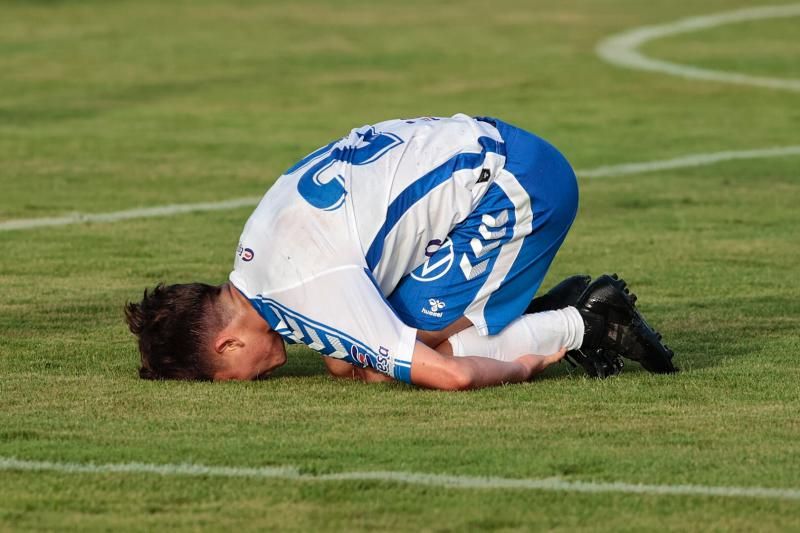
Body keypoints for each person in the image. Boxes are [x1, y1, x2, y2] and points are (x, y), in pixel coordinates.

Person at [125, 114, 677, 390]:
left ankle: (587, 321)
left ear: (227, 343)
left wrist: (522, 364)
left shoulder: (302, 288)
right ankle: (550, 308)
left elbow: (452, 378)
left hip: (518, 185)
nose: (253, 381)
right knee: (346, 360)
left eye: (232, 377)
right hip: (485, 150)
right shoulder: (254, 254)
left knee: (387, 371)